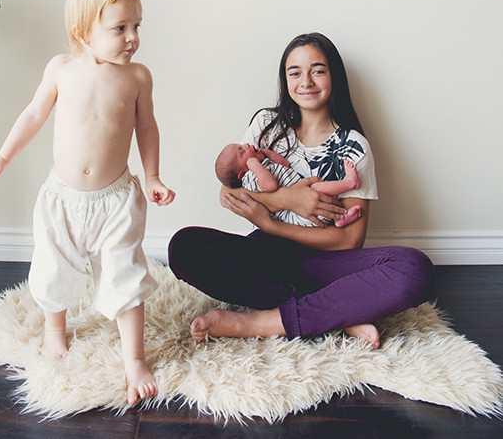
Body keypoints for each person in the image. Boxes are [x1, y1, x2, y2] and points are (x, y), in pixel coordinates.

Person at [0, 0, 175, 406]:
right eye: (120, 28)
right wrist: (2, 157)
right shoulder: (60, 68)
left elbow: (147, 128)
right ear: (84, 31)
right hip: (62, 198)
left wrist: (152, 176)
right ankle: (54, 331)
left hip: (116, 200)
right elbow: (33, 114)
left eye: (137, 26)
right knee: (52, 267)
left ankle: (134, 359)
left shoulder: (137, 77)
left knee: (125, 275)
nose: (133, 38)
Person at [169, 33, 434, 350]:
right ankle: (337, 312)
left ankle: (262, 322)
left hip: (326, 263)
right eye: (295, 72)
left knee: (413, 269)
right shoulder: (265, 125)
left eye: (318, 70)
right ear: (285, 79)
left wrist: (272, 222)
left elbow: (350, 240)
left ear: (333, 76)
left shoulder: (354, 147)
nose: (306, 81)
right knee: (184, 246)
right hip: (267, 257)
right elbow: (229, 194)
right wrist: (286, 199)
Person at [215, 142, 362, 227]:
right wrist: (254, 166)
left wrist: (267, 154)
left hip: (308, 200)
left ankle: (340, 218)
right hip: (299, 215)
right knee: (318, 188)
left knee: (320, 188)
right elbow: (270, 185)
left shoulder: (262, 166)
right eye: (242, 151)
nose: (246, 144)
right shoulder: (250, 179)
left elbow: (284, 164)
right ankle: (349, 183)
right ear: (241, 173)